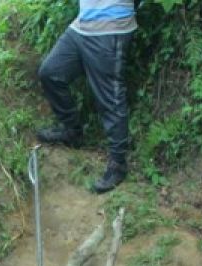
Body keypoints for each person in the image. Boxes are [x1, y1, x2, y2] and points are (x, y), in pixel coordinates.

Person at [35, 0, 137, 194]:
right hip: (82, 25)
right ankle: (72, 131)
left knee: (110, 99)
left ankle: (118, 164)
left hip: (111, 28)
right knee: (50, 73)